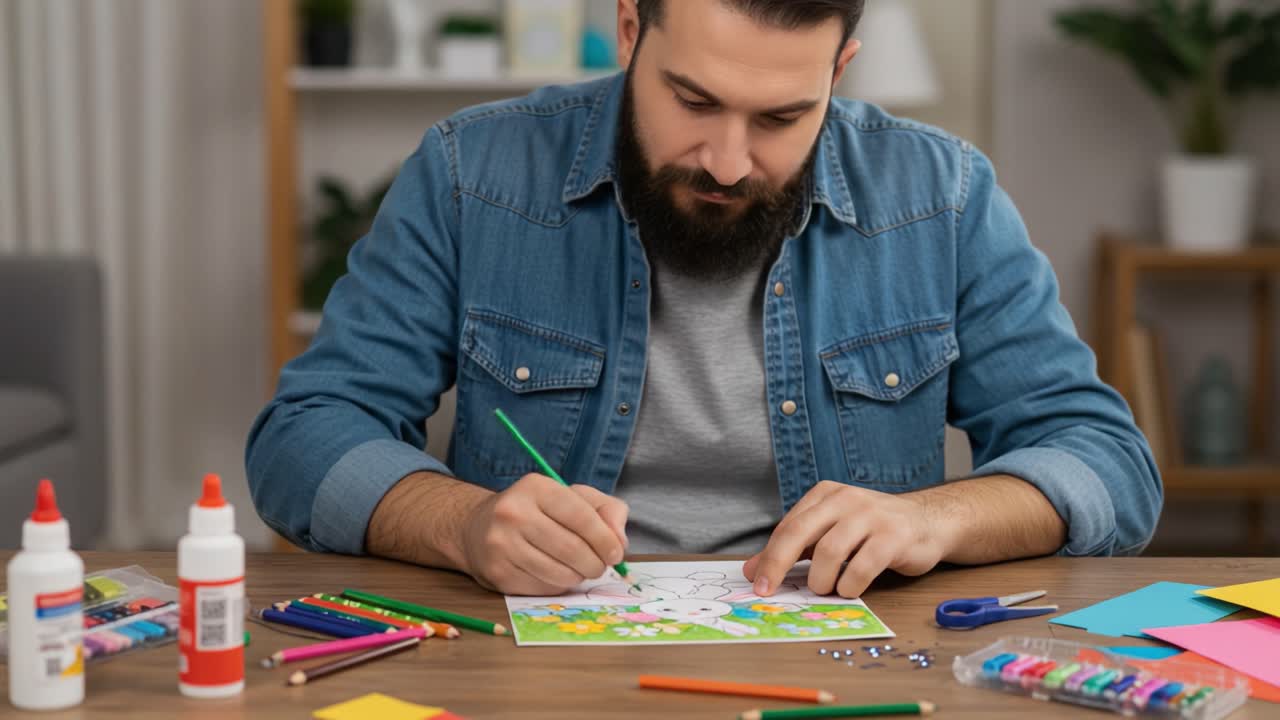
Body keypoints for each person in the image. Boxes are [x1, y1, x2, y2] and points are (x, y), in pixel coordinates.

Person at [246, 0, 1162, 600]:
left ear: (839, 72)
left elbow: (1108, 462)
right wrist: (465, 525)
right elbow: (306, 434)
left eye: (780, 119)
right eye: (692, 100)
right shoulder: (471, 172)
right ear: (630, 29)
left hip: (849, 666)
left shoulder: (943, 194)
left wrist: (936, 517)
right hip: (538, 660)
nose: (728, 162)